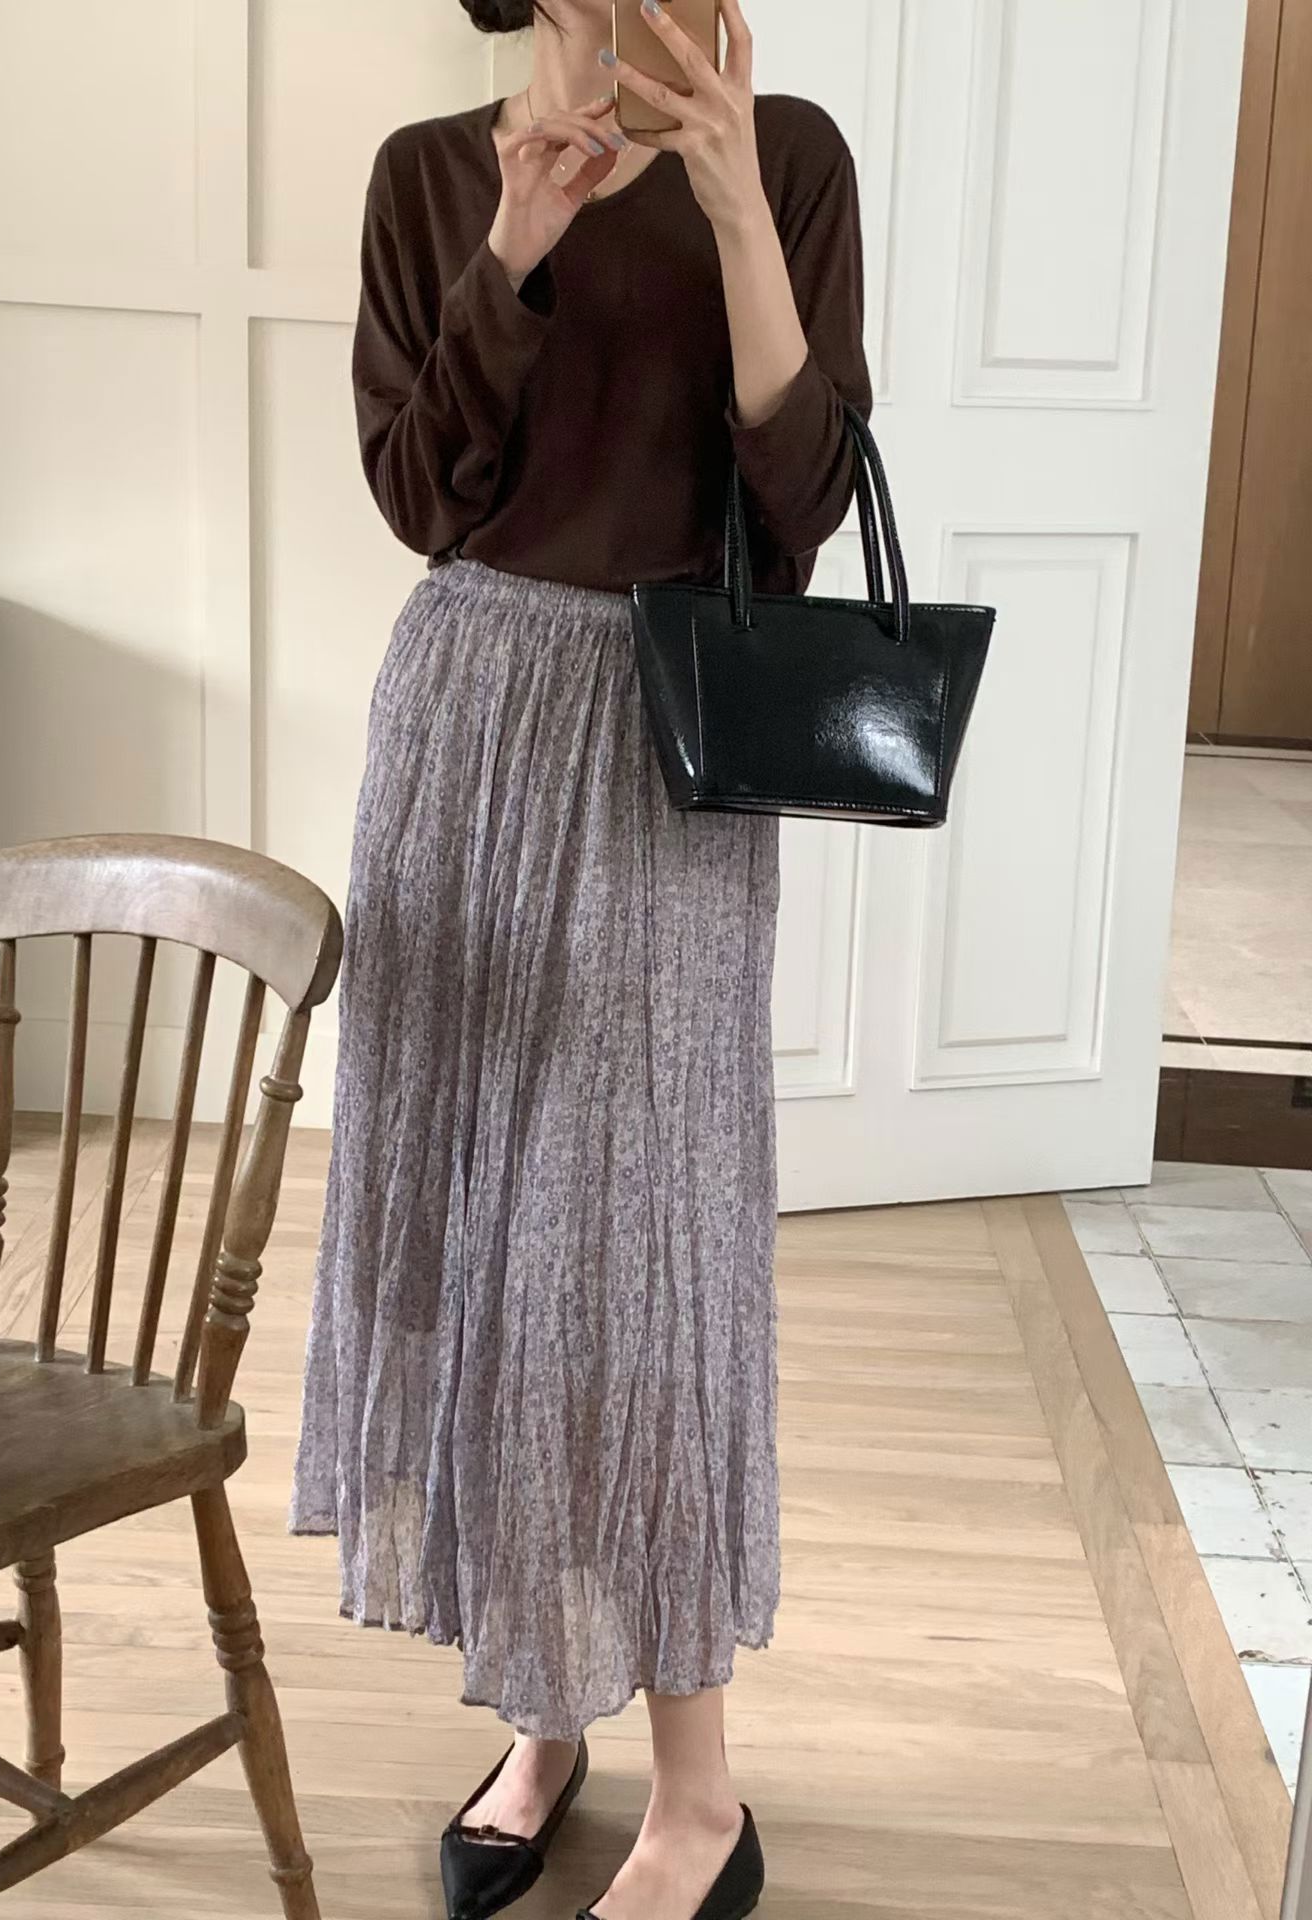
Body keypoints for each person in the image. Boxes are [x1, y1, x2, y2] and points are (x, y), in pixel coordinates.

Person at [291, 1, 871, 1914]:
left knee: (637, 1256)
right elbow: (418, 496)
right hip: (465, 730)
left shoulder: (790, 159)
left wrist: (735, 211)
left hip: (671, 743)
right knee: (485, 1241)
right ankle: (543, 1718)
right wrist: (518, 247)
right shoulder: (428, 176)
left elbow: (801, 508)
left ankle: (699, 1792)